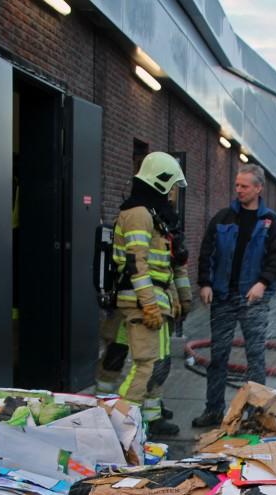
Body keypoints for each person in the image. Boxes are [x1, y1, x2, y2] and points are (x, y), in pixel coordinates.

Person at [191, 164, 276, 428]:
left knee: (255, 357)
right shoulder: (223, 219)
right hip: (222, 296)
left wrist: (262, 283)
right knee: (218, 355)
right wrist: (205, 283)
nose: (239, 190)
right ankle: (213, 410)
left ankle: (256, 414)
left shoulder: (270, 223)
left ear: (258, 188)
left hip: (254, 298)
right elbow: (206, 252)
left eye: (244, 186)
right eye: (237, 185)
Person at [111, 151, 191, 437]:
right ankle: (119, 427)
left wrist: (181, 298)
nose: (172, 195)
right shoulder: (138, 214)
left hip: (158, 299)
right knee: (144, 365)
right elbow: (136, 263)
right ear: (159, 182)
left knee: (160, 362)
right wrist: (149, 305)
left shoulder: (156, 215)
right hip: (141, 300)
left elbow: (169, 264)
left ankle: (151, 416)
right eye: (170, 188)